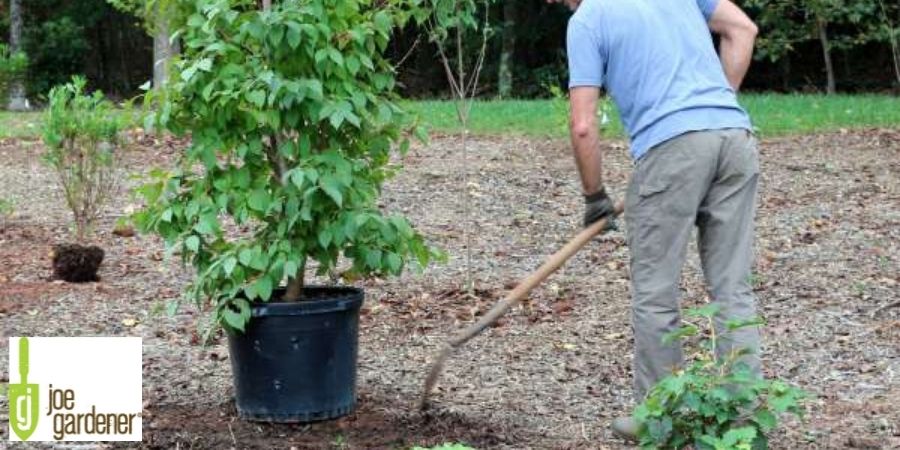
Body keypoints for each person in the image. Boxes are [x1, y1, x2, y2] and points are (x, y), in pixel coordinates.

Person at [549, 0, 762, 441]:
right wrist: (712, 104)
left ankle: (660, 416)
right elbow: (743, 29)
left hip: (672, 150)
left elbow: (584, 125)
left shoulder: (589, 19)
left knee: (656, 290)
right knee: (731, 285)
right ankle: (743, 416)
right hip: (735, 139)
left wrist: (594, 196)